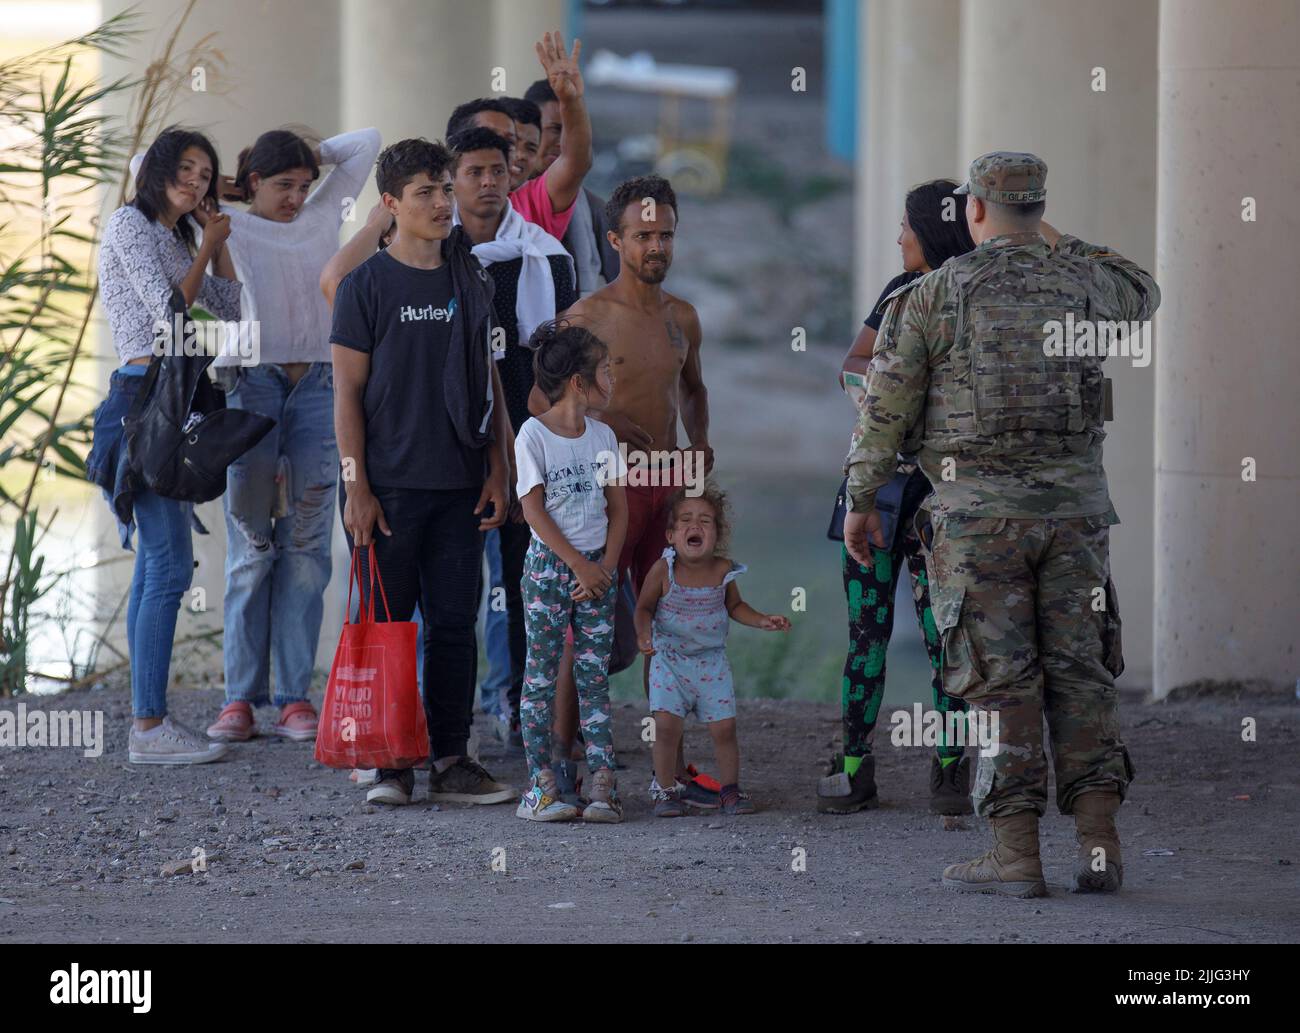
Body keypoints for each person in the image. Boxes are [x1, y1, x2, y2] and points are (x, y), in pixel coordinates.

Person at [844, 152, 1159, 897]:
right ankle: (1098, 844)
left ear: (974, 212)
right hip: (1076, 517)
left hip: (977, 522)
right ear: (1038, 206)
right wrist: (1048, 235)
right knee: (1081, 674)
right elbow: (1145, 293)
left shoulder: (933, 294)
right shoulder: (1084, 280)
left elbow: (885, 409)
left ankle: (1016, 851)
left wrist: (862, 499)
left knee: (1000, 683)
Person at [329, 137, 516, 807]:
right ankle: (389, 763)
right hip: (389, 490)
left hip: (461, 485)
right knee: (386, 627)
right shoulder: (365, 286)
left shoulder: (471, 280)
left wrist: (499, 467)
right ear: (390, 205)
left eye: (445, 189)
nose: (442, 203)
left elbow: (490, 381)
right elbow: (346, 395)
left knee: (453, 626)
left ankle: (450, 757)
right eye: (426, 193)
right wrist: (357, 487)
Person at [204, 125, 382, 745]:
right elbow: (151, 163)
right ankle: (239, 698)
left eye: (305, 185)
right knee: (252, 545)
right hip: (250, 386)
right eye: (283, 185)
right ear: (251, 183)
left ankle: (293, 697)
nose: (297, 197)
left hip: (319, 391)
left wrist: (308, 157)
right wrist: (228, 178)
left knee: (307, 547)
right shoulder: (227, 217)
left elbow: (368, 142)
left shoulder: (323, 211)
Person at [818, 179, 975, 816]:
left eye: (906, 226)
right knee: (906, 633)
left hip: (911, 489)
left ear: (931, 232)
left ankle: (909, 772)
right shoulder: (913, 290)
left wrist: (893, 409)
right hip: (913, 487)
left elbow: (857, 367)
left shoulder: (942, 293)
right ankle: (900, 771)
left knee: (914, 635)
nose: (899, 237)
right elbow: (854, 362)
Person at [557, 174, 715, 805]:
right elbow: (547, 398)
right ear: (615, 239)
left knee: (670, 622)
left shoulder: (683, 318)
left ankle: (667, 772)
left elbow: (694, 391)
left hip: (667, 486)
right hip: (606, 487)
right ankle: (560, 757)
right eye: (644, 235)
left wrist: (700, 447)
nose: (657, 247)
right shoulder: (586, 316)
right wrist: (609, 420)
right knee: (588, 620)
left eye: (666, 235)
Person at [89, 126, 238, 764]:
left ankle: (148, 724)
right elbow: (169, 314)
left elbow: (228, 310)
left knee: (159, 564)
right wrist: (206, 247)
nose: (196, 180)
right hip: (142, 400)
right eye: (185, 168)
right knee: (170, 565)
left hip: (173, 402)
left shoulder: (175, 239)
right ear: (154, 170)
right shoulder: (128, 224)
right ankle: (148, 728)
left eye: (206, 173)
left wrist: (214, 243)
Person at [448, 124, 578, 754]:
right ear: (451, 179)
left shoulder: (547, 256)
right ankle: (443, 725)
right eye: (474, 171)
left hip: (527, 440)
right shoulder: (426, 255)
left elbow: (563, 357)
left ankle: (528, 717)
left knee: (529, 581)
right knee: (450, 589)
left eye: (498, 171)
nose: (488, 182)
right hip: (446, 441)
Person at [514, 321, 628, 822]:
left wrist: (606, 566)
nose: (613, 378)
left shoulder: (603, 436)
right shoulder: (533, 435)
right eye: (606, 370)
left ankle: (602, 783)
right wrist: (578, 563)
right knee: (539, 676)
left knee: (592, 677)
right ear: (580, 382)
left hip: (598, 575)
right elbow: (533, 509)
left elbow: (619, 508)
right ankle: (540, 785)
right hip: (549, 572)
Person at [634, 485, 790, 817]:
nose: (696, 526)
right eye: (686, 520)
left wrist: (762, 620)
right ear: (671, 534)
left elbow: (735, 606)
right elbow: (643, 607)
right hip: (669, 662)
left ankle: (731, 791)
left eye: (706, 521)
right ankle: (665, 791)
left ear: (717, 534)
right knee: (665, 728)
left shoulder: (723, 570)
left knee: (724, 729)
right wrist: (644, 634)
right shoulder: (664, 569)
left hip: (711, 663)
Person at [445, 30, 592, 242]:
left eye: (511, 143)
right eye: (495, 140)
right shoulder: (429, 206)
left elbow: (576, 161)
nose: (516, 154)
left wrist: (571, 101)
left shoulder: (536, 200)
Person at [524, 78, 619, 297]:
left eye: (571, 131)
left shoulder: (597, 211)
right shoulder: (498, 202)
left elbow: (622, 290)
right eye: (555, 129)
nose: (563, 142)